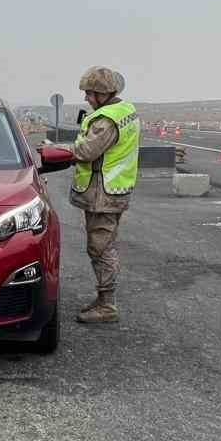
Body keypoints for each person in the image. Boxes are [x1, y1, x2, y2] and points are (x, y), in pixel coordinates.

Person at [69, 67, 140, 324]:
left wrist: (63, 150)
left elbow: (87, 151)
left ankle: (107, 305)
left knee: (100, 248)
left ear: (102, 93)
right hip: (113, 191)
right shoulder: (124, 111)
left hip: (103, 194)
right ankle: (103, 300)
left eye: (89, 93)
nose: (86, 98)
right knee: (102, 246)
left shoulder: (106, 120)